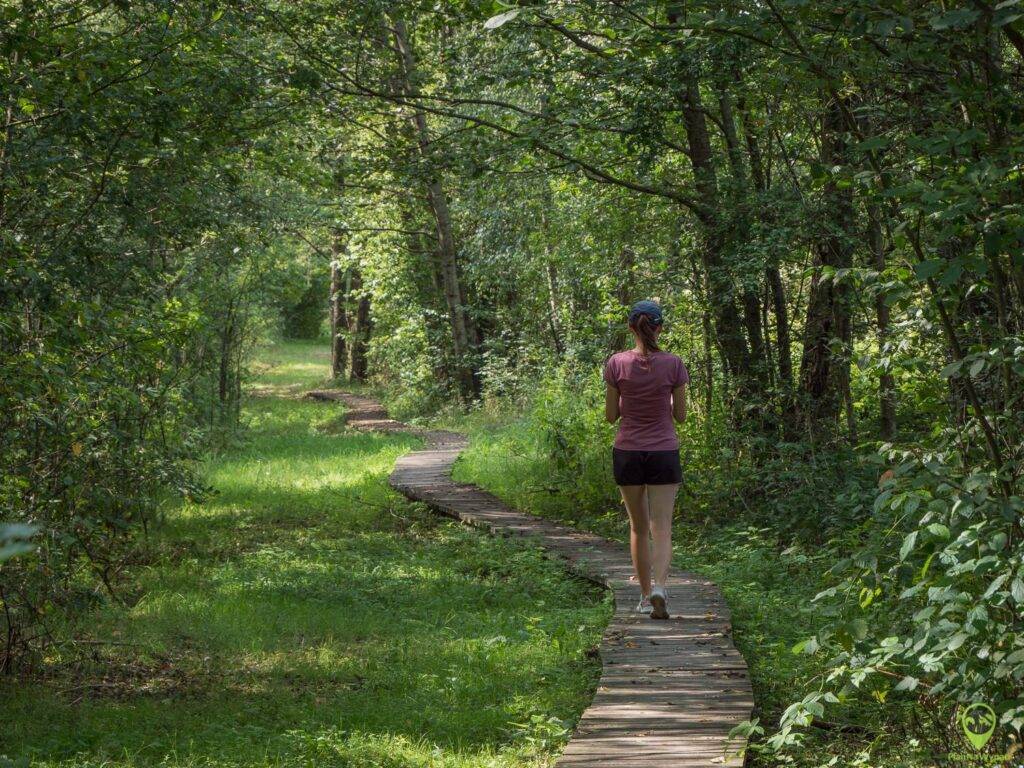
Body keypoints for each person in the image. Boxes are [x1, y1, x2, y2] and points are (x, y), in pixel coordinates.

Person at [603, 300, 688, 619]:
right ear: (660, 328)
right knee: (662, 527)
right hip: (664, 450)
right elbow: (680, 415)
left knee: (638, 528)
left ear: (630, 328)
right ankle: (660, 588)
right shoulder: (674, 364)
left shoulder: (616, 363)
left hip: (628, 451)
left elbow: (611, 416)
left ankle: (642, 596)